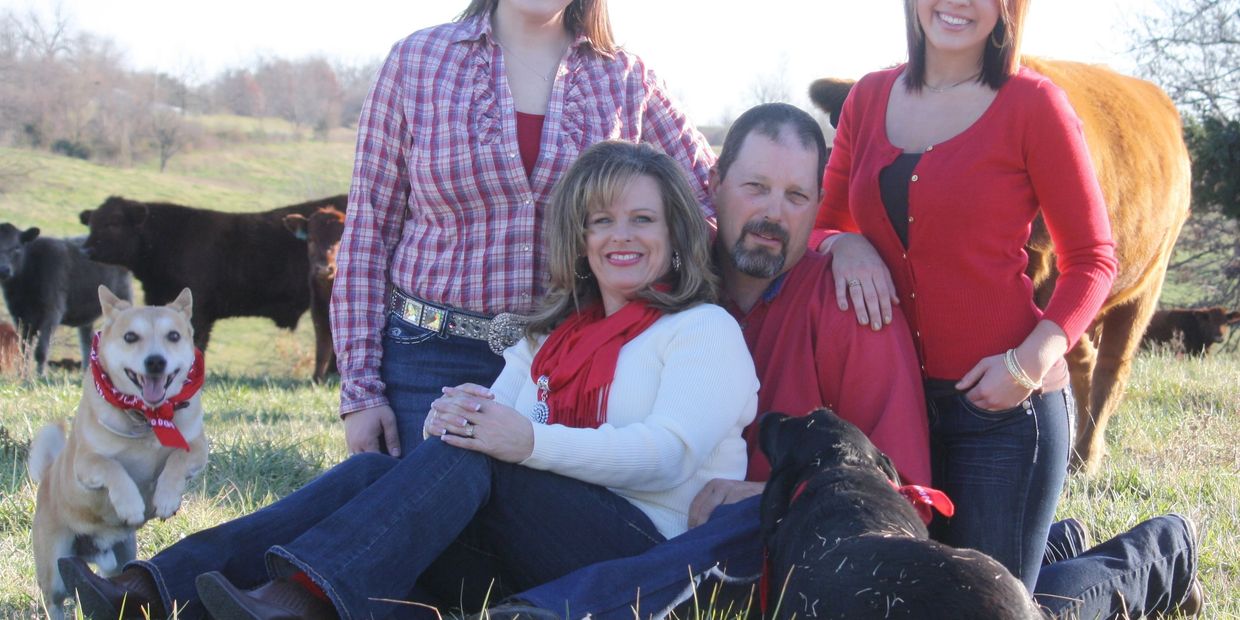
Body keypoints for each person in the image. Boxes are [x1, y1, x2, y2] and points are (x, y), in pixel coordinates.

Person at [485, 103, 1201, 620]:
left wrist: (767, 497)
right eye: (755, 188)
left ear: (818, 203)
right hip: (689, 538)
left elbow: (904, 491)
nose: (773, 214)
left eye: (797, 196)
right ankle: (1062, 542)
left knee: (1005, 609)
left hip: (805, 544)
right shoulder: (667, 271)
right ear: (713, 185)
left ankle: (1156, 555)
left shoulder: (854, 305)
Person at [59, 141, 758, 620]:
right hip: (533, 555)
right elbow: (493, 426)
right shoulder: (552, 334)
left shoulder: (702, 331)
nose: (620, 236)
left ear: (676, 234)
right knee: (382, 471)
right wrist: (454, 415)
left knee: (481, 454)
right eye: (601, 220)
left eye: (642, 219)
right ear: (579, 237)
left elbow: (666, 456)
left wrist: (521, 441)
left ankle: (302, 598)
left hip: (641, 562)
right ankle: (153, 588)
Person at [811, 0, 1202, 616]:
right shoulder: (868, 98)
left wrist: (1028, 363)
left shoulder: (1034, 105)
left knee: (988, 610)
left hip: (1003, 415)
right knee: (917, 597)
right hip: (898, 411)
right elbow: (823, 224)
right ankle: (1054, 544)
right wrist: (843, 244)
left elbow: (1094, 258)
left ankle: (1161, 554)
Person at [334, 0, 716, 459]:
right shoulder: (416, 61)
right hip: (426, 358)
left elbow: (709, 201)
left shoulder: (626, 78)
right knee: (416, 502)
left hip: (568, 360)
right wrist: (361, 391)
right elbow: (368, 230)